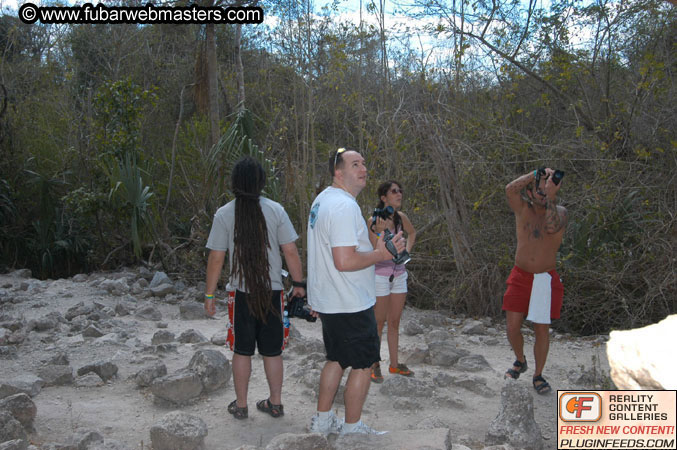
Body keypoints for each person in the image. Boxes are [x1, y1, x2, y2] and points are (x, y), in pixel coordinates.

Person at [306, 148, 406, 436]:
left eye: (363, 163)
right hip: (349, 301)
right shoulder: (343, 206)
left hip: (330, 299)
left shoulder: (323, 199)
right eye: (354, 164)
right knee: (362, 365)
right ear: (339, 173)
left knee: (336, 359)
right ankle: (352, 429)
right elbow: (344, 260)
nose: (363, 168)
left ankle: (323, 422)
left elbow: (326, 253)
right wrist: (383, 255)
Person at [204, 156, 305, 419]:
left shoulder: (224, 213)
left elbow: (216, 257)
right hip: (272, 292)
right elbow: (290, 251)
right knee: (273, 351)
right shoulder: (275, 210)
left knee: (242, 350)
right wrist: (299, 284)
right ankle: (275, 402)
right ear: (261, 181)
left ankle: (241, 404)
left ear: (235, 183)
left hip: (241, 294)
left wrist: (210, 294)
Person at [503, 167, 567, 394]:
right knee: (512, 327)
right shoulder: (522, 210)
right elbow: (510, 189)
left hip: (544, 278)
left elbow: (551, 228)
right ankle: (520, 360)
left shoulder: (559, 211)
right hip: (520, 274)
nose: (542, 194)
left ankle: (538, 374)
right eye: (539, 191)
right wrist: (535, 174)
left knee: (541, 329)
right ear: (529, 193)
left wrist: (550, 196)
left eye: (546, 191)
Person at [367, 181, 417, 382]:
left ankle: (394, 365)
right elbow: (374, 249)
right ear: (383, 197)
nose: (399, 194)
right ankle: (373, 363)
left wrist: (406, 251)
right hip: (380, 275)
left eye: (400, 190)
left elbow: (412, 233)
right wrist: (379, 232)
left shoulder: (401, 218)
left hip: (399, 274)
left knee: (394, 322)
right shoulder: (373, 220)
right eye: (394, 191)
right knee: (378, 322)